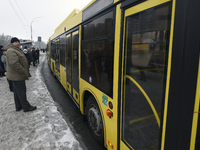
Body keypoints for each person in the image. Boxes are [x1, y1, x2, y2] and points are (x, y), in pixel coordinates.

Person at [5, 37, 37, 112]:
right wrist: (23, 71)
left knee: (17, 92)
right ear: (12, 43)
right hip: (17, 75)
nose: (17, 43)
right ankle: (26, 107)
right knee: (22, 91)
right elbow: (14, 63)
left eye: (18, 42)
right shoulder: (11, 50)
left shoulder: (14, 49)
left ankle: (19, 106)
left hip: (15, 75)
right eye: (15, 42)